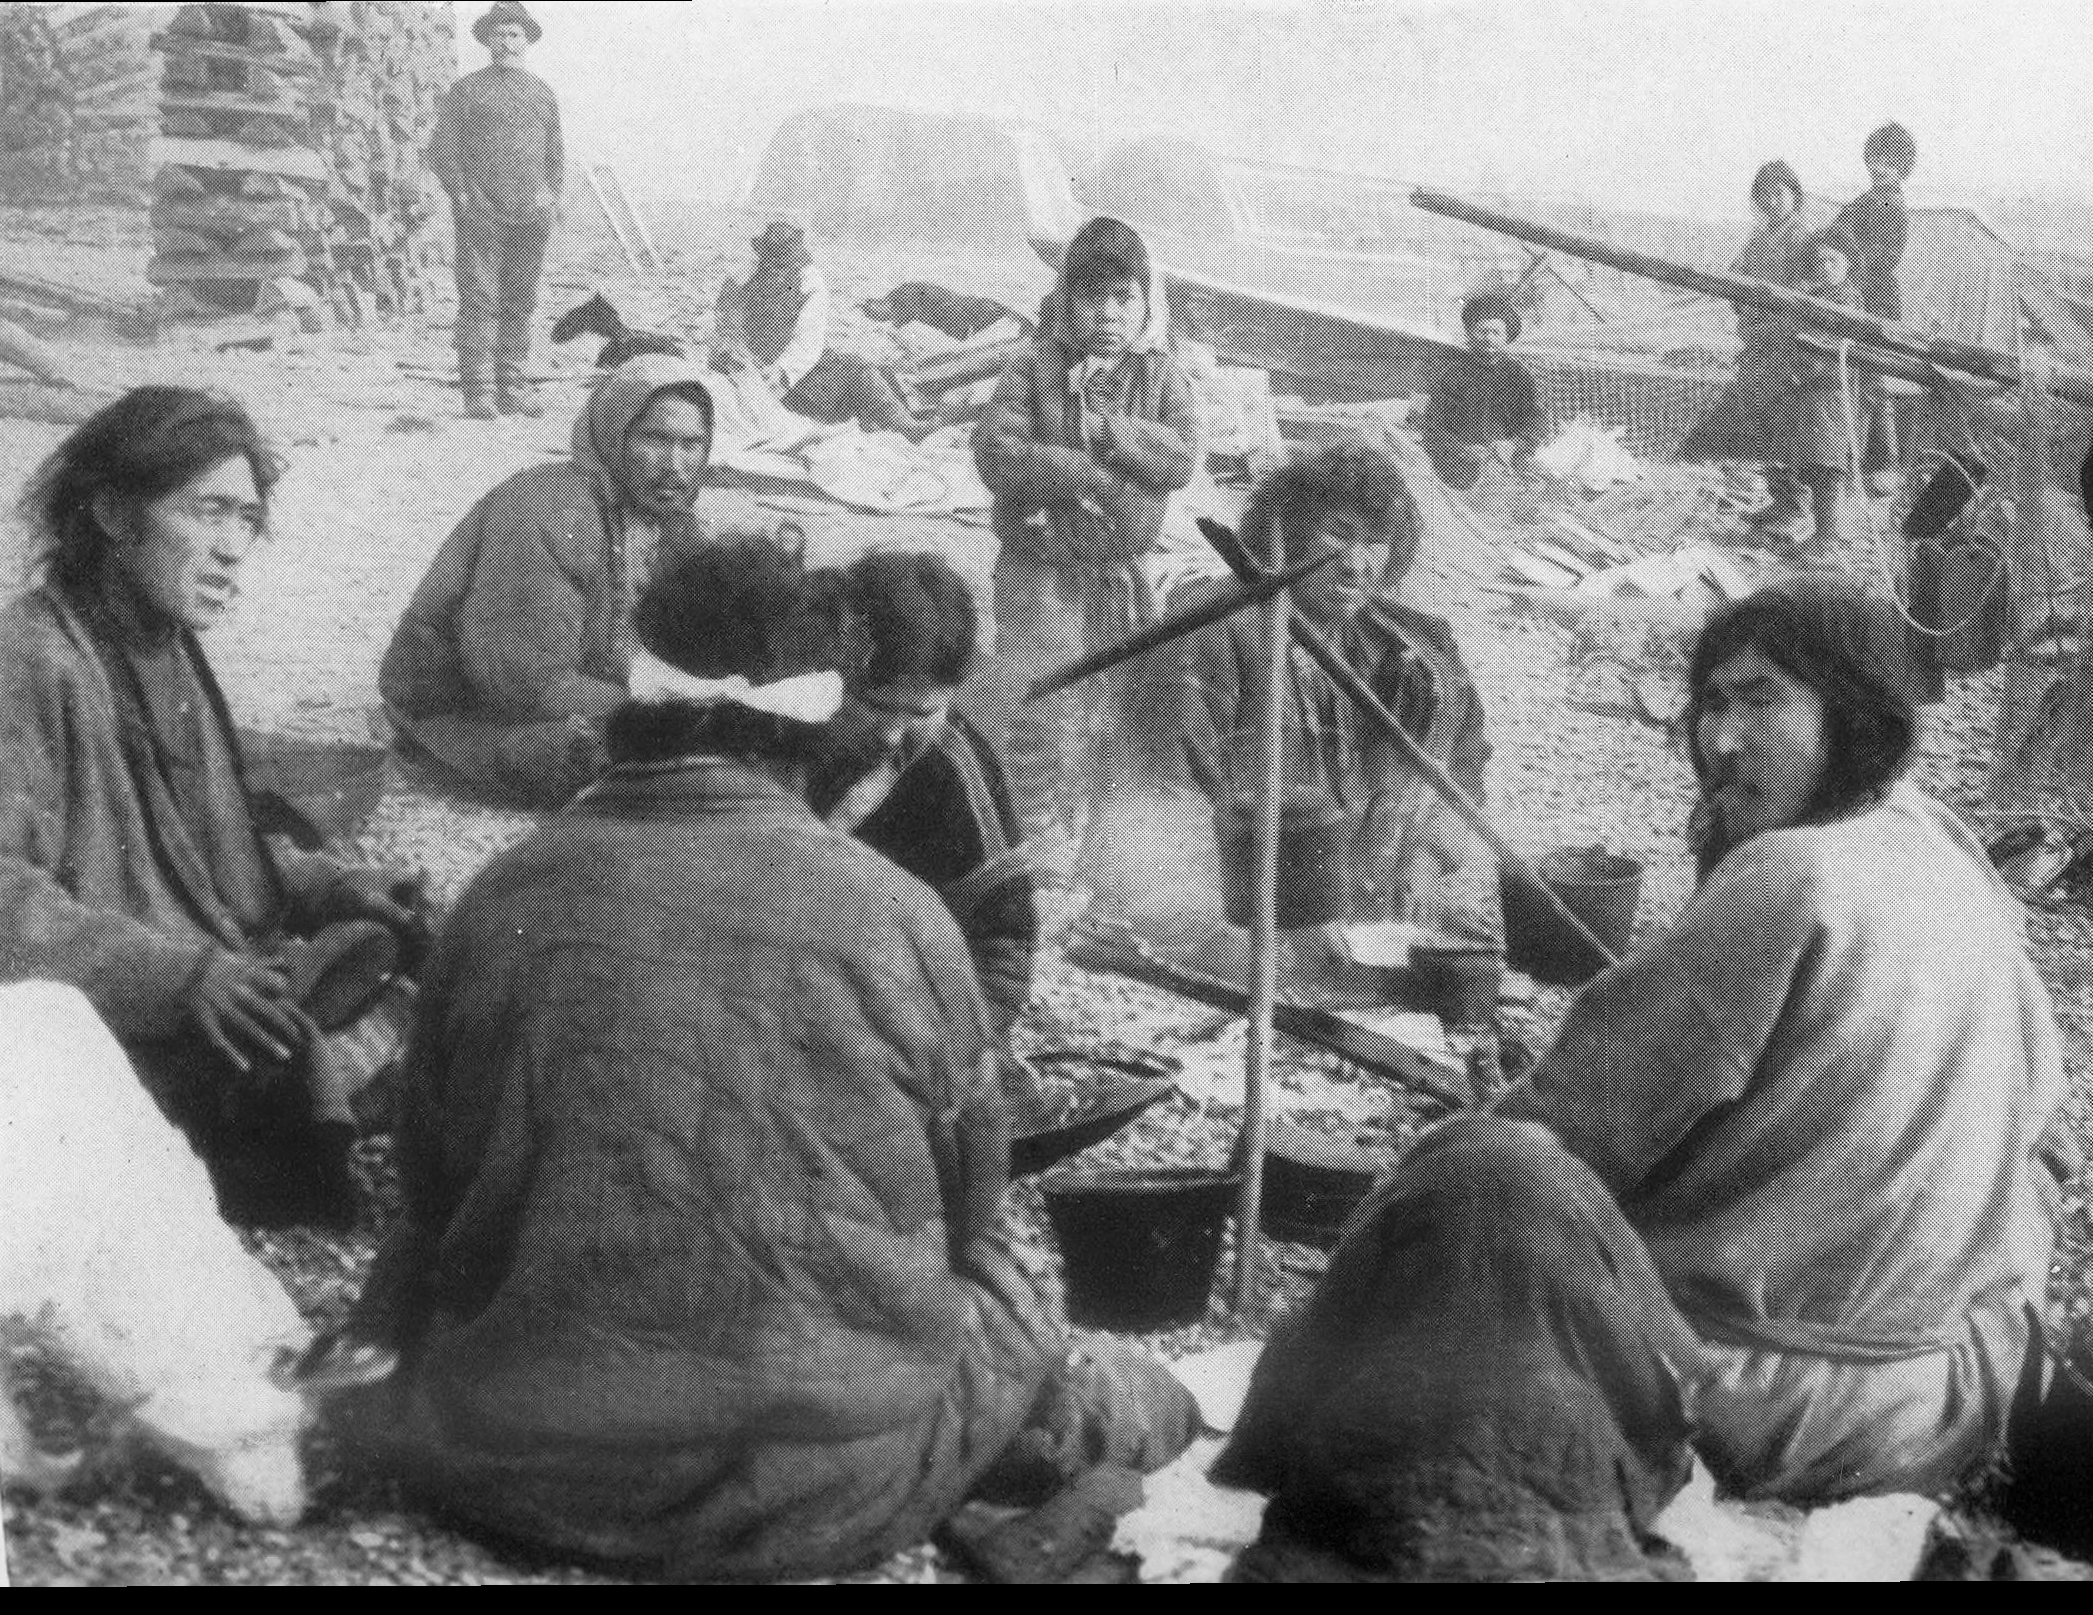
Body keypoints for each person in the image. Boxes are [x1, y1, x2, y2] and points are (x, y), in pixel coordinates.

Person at [341, 542, 1196, 1581]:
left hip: (520, 1472)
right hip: (820, 1498)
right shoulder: (900, 917)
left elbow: (433, 1191)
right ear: (815, 716)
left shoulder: (502, 895)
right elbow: (966, 1215)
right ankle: (1112, 1415)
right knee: (1005, 1269)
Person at [1213, 582, 2064, 1581]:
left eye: (1759, 700)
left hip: (1766, 1402)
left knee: (1470, 1183)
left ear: (1852, 711)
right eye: (1708, 703)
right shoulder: (1943, 850)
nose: (1720, 740)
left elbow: (1561, 1133)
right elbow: (2045, 1150)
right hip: (1953, 1393)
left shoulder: (1793, 875)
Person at [0, 388, 431, 1230]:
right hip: (98, 1001)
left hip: (198, 963)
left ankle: (327, 1069)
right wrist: (177, 980)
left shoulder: (164, 646)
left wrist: (334, 887)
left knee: (404, 943)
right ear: (113, 515)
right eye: (208, 513)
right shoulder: (32, 661)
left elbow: (204, 847)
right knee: (269, 1057)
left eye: (247, 519)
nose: (234, 548)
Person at [1093, 443, 1498, 979]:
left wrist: (1453, 920)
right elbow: (1155, 836)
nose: (1355, 563)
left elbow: (1464, 806)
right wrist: (1262, 953)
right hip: (1232, 935)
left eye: (1374, 541)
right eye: (1336, 535)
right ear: (1282, 537)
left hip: (1373, 934)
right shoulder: (1206, 638)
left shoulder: (1418, 652)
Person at [380, 356, 774, 811]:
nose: (676, 465)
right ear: (612, 436)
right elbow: (524, 682)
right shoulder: (544, 512)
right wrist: (673, 709)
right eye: (656, 440)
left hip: (584, 690)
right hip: (466, 713)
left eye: (692, 445)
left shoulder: (666, 519)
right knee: (668, 770)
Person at [968, 214, 1199, 848]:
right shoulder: (1033, 369)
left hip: (1116, 574)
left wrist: (1112, 436)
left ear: (1146, 302)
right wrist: (1080, 469)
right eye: (1090, 298)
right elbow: (995, 452)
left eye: (1123, 299)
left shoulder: (1157, 376)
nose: (1107, 316)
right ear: (1067, 302)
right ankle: (1033, 836)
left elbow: (1181, 456)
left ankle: (1095, 840)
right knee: (1042, 698)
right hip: (1040, 571)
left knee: (1112, 700)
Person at [808, 550, 1037, 1050]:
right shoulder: (794, 728)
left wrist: (955, 1059)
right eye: (875, 707)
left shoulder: (951, 772)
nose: (896, 734)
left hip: (887, 1023)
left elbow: (1002, 957)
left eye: (921, 712)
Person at [426, 2, 562, 420]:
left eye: (514, 35)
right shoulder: (467, 90)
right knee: (481, 298)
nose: (506, 42)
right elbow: (442, 152)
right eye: (498, 35)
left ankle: (513, 385)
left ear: (526, 41)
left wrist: (551, 195)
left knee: (520, 299)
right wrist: (465, 198)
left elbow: (554, 153)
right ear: (486, 40)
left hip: (531, 215)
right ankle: (479, 390)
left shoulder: (541, 92)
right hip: (482, 212)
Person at [1681, 160, 1812, 533]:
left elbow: (1805, 294)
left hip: (1786, 342)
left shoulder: (1803, 240)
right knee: (1758, 421)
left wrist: (1773, 322)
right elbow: (1734, 277)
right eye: (1764, 195)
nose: (1772, 202)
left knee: (1783, 423)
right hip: (1755, 340)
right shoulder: (1757, 240)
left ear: (1795, 197)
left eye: (1779, 194)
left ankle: (1795, 504)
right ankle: (1778, 499)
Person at [712, 222, 934, 440]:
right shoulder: (745, 274)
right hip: (773, 377)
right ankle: (908, 427)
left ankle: (906, 419)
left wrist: (780, 370)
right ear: (764, 255)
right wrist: (743, 360)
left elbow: (807, 345)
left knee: (871, 371)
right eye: (772, 263)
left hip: (791, 366)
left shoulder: (810, 281)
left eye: (782, 264)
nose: (776, 269)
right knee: (858, 371)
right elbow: (724, 321)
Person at [1834, 121, 1915, 485]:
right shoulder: (1861, 203)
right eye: (1874, 159)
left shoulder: (1893, 206)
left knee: (1871, 376)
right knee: (1861, 375)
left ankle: (1876, 462)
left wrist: (1851, 255)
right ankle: (1875, 460)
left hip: (1877, 296)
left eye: (1888, 161)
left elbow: (1887, 256)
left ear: (1901, 168)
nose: (1879, 167)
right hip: (1856, 291)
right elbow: (1835, 235)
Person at [1784, 228, 1868, 552]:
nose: (1825, 266)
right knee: (1814, 457)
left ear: (1847, 264)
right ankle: (1821, 530)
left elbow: (1832, 343)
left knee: (1827, 459)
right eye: (1818, 261)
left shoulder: (1847, 298)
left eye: (1833, 260)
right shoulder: (1815, 296)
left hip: (1833, 389)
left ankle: (1829, 536)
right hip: (1810, 388)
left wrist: (1809, 367)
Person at [1416, 292, 1548, 492]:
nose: (1489, 339)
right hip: (1459, 469)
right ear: (1470, 334)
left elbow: (1536, 421)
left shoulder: (1518, 374)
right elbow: (1433, 428)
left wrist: (1514, 444)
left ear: (1506, 338)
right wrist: (1462, 450)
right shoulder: (1453, 374)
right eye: (1482, 331)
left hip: (1508, 463)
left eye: (1496, 333)